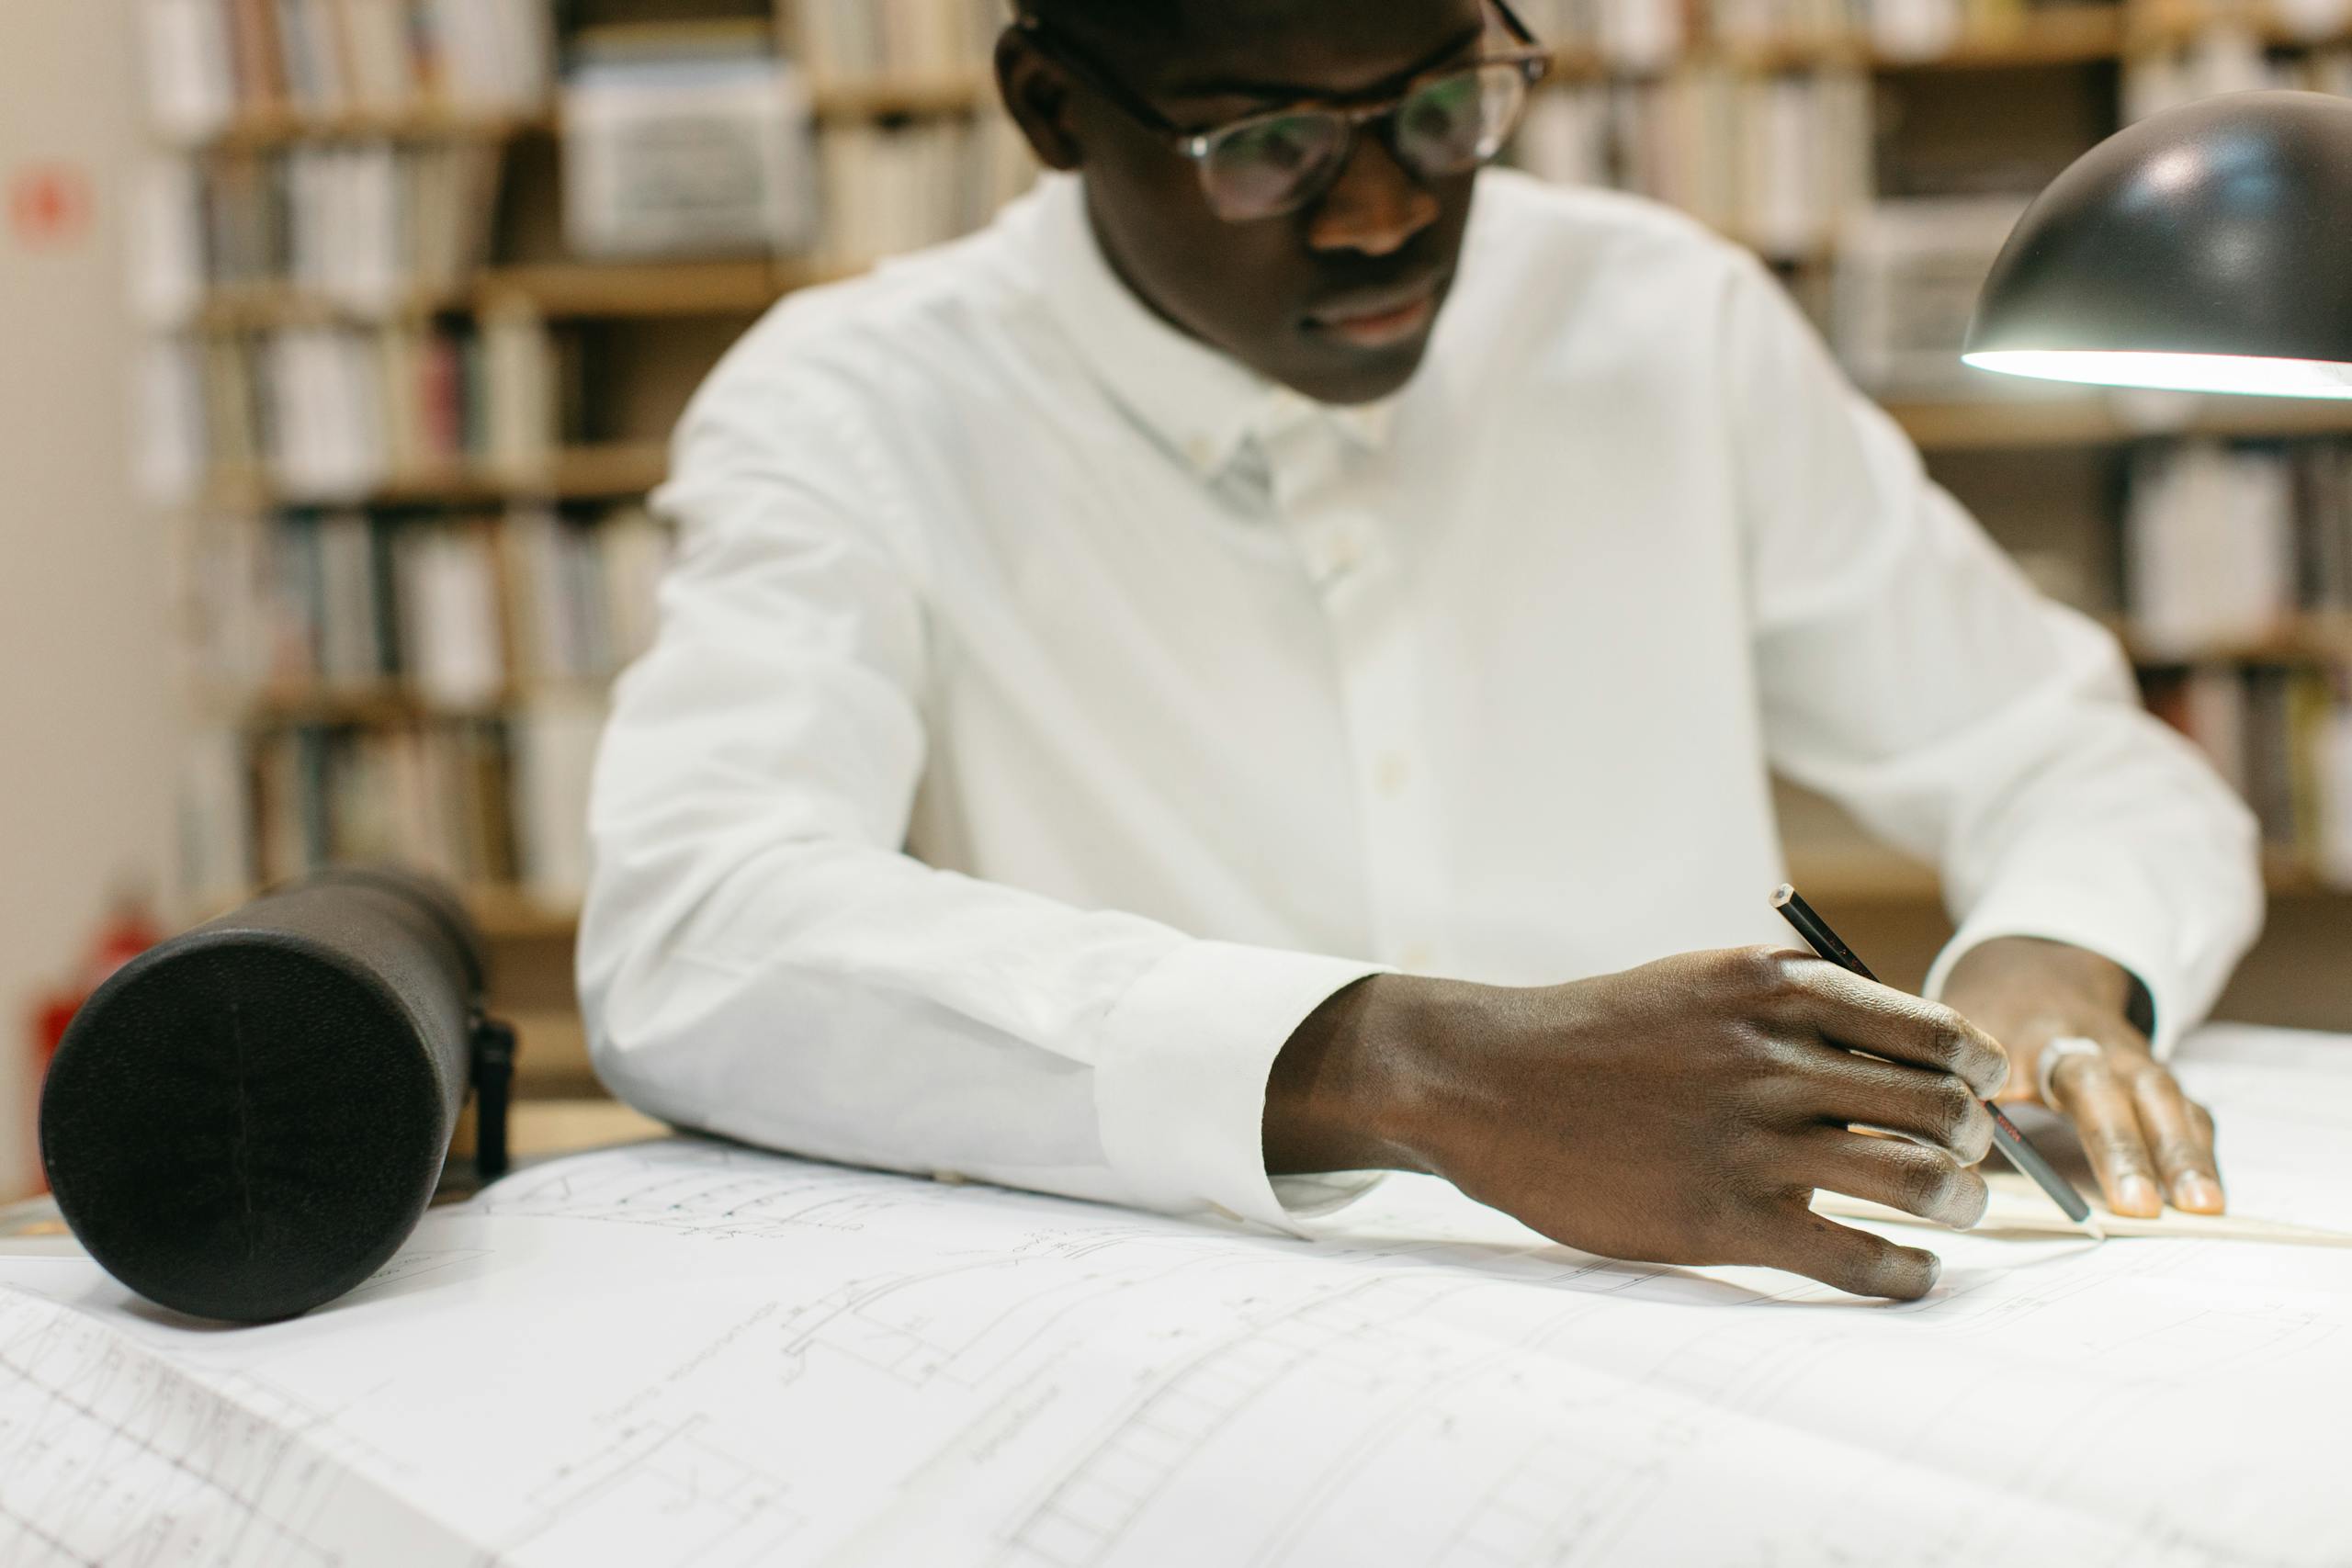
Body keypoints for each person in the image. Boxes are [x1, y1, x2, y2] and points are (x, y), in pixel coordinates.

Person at [577, 0, 2263, 1300]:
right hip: (1162, 1368)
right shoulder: (855, 407)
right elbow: (695, 935)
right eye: (1266, 148)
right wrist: (1399, 1069)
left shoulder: (1661, 323)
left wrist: (2050, 954)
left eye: (1445, 111)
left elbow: (2071, 756)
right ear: (1051, 107)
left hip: (1722, 1339)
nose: (1386, 213)